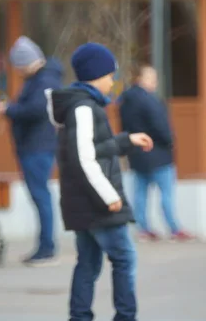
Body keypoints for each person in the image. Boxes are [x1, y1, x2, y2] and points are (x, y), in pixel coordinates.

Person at [46, 42, 153, 321]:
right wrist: (109, 196)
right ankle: (125, 316)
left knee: (89, 263)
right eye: (110, 75)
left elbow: (95, 148)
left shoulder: (85, 106)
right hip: (97, 204)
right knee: (124, 258)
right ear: (96, 75)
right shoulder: (83, 108)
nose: (113, 81)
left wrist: (126, 140)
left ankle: (80, 317)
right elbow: (85, 159)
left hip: (86, 203)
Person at [0, 36, 63, 266]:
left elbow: (36, 110)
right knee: (41, 196)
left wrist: (9, 110)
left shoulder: (43, 81)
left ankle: (47, 247)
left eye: (18, 66)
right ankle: (45, 245)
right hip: (35, 146)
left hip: (37, 147)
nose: (18, 71)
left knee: (41, 196)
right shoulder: (42, 79)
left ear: (26, 62)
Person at [119, 64, 193, 242]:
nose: (155, 82)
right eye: (152, 78)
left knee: (140, 193)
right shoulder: (150, 101)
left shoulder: (125, 101)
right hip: (158, 153)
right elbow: (161, 126)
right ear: (140, 79)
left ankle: (143, 229)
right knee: (166, 192)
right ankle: (174, 228)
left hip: (137, 153)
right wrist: (170, 141)